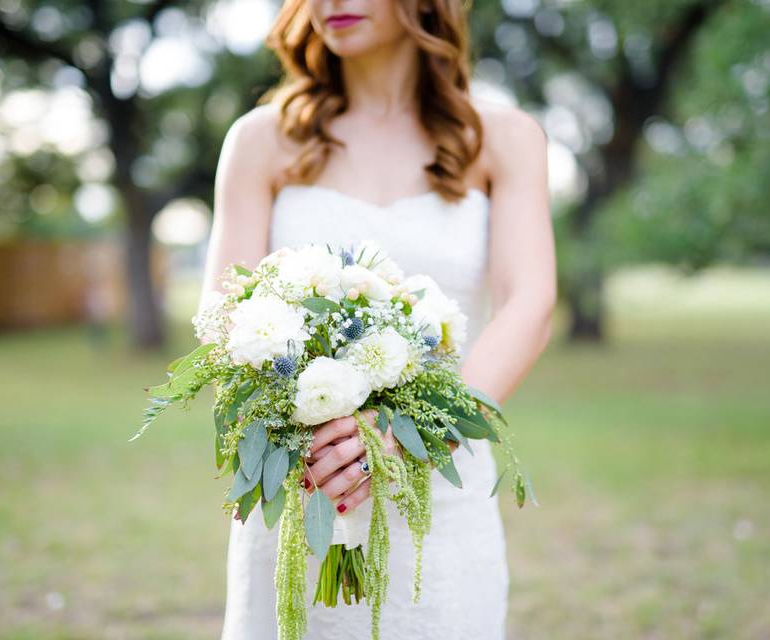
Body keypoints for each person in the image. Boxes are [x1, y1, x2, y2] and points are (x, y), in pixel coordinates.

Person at [197, 1, 556, 638]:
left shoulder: (504, 137)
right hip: (303, 473)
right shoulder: (260, 139)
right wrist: (309, 425)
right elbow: (224, 313)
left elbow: (528, 303)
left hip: (439, 487)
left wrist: (415, 432)